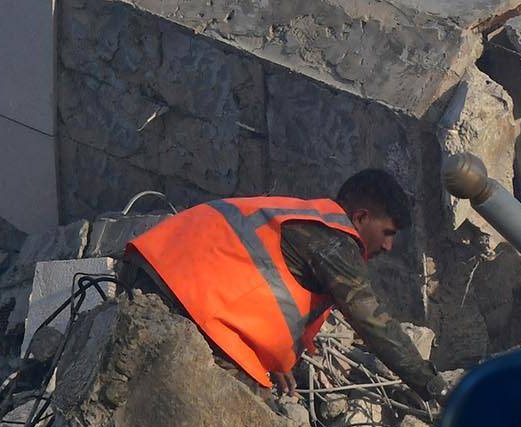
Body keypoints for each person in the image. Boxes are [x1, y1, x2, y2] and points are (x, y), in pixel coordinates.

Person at [117, 169, 449, 408]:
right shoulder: (335, 239)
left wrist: (270, 359)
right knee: (255, 426)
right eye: (388, 232)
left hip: (155, 270)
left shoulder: (298, 216)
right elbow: (372, 321)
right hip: (181, 297)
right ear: (361, 217)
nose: (388, 246)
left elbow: (250, 276)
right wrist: (433, 386)